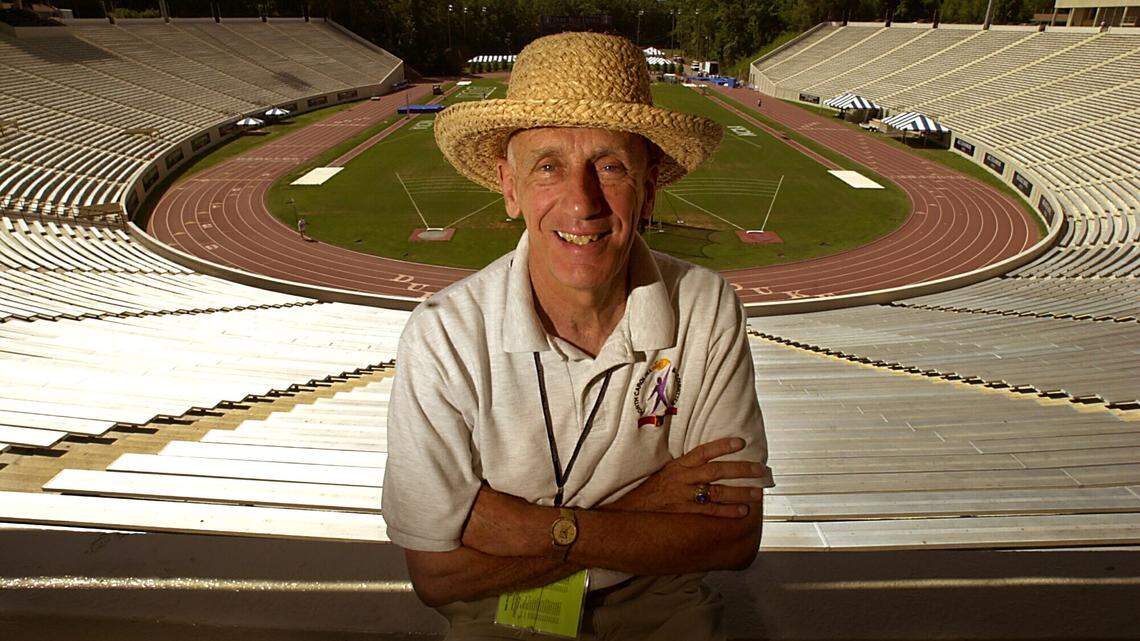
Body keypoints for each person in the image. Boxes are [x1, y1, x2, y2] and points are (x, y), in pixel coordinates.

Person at [382, 31, 774, 641]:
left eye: (610, 166)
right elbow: (439, 576)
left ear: (647, 193)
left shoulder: (705, 306)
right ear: (509, 189)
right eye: (548, 167)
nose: (582, 201)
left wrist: (531, 528)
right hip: (498, 607)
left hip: (659, 599)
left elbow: (731, 537)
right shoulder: (443, 335)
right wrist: (649, 505)